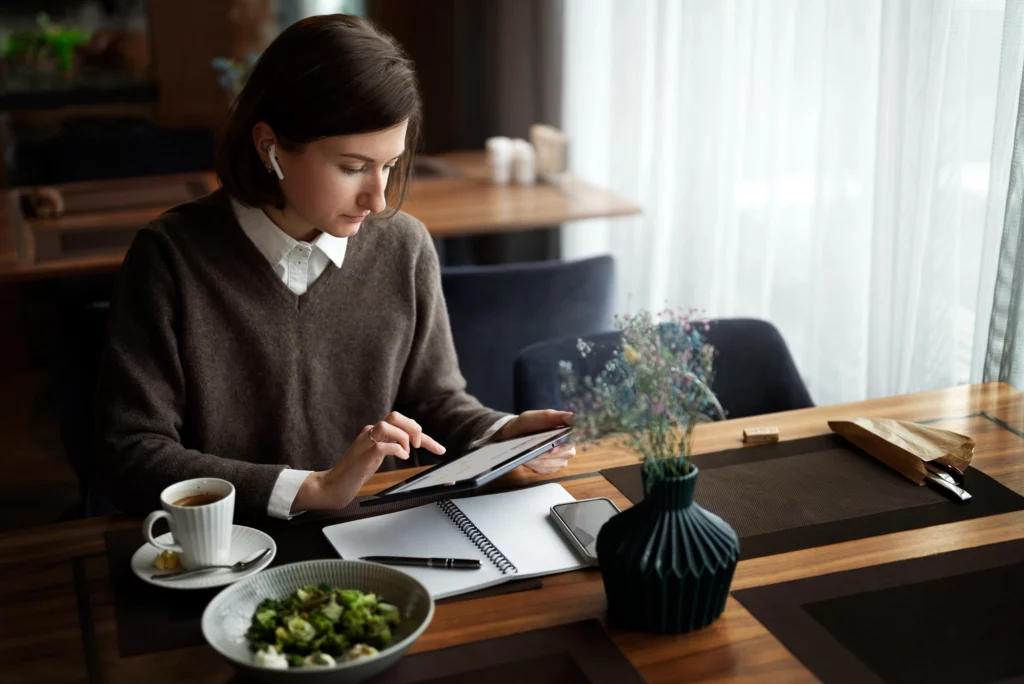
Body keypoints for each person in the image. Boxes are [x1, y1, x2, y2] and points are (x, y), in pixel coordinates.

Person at [96, 14, 575, 520]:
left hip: (376, 541)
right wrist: (310, 489)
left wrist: (500, 434)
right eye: (352, 167)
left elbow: (434, 403)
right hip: (225, 550)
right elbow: (132, 454)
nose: (379, 195)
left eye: (389, 165)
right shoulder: (169, 258)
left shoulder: (404, 247)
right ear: (270, 147)